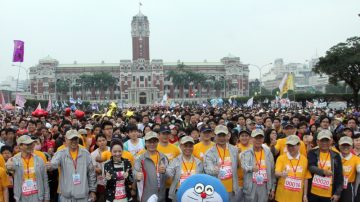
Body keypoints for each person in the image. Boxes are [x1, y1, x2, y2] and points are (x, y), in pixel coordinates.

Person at [46, 130, 97, 202]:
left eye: (75, 139)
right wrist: (50, 166)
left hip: (82, 197)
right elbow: (54, 164)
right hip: (66, 197)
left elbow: (91, 173)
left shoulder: (86, 153)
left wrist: (92, 191)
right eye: (71, 139)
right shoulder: (61, 153)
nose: (74, 141)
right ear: (66, 139)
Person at [6, 135, 50, 202]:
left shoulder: (39, 160)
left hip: (37, 196)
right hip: (21, 196)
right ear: (20, 146)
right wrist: (8, 166)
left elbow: (45, 179)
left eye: (31, 144)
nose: (30, 146)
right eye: (27, 144)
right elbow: (8, 168)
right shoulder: (14, 159)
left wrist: (47, 198)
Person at [204, 125, 239, 201]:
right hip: (217, 189)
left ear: (227, 136)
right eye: (219, 135)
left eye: (223, 135)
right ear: (215, 136)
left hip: (232, 189)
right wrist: (216, 169)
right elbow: (207, 170)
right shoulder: (209, 153)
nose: (222, 138)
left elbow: (237, 166)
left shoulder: (234, 150)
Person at [307, 130, 343, 202]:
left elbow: (339, 175)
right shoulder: (312, 152)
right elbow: (311, 167)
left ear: (331, 141)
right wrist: (323, 172)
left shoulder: (336, 155)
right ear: (317, 142)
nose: (324, 143)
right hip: (313, 192)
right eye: (322, 141)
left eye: (327, 140)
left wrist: (337, 193)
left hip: (328, 194)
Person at [240, 129, 275, 202]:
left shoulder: (268, 153)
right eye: (256, 138)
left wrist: (272, 188)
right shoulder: (245, 153)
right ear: (251, 139)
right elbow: (243, 167)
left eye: (260, 138)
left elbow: (272, 172)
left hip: (264, 187)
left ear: (263, 139)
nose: (258, 140)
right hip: (250, 188)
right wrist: (251, 168)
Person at [275, 135, 311, 202]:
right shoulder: (281, 158)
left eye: (293, 145)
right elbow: (276, 173)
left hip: (297, 197)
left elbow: (306, 178)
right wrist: (281, 174)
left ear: (299, 145)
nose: (290, 148)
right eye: (289, 145)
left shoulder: (304, 160)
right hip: (282, 197)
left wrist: (305, 195)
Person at [133, 131, 168, 202]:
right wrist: (136, 175)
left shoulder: (164, 157)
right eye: (149, 142)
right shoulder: (140, 158)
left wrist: (165, 171)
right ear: (145, 143)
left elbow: (169, 175)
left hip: (161, 196)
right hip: (146, 196)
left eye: (154, 141)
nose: (152, 144)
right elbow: (134, 172)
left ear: (157, 142)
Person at [166, 136, 203, 201]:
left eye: (190, 146)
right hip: (178, 193)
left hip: (195, 194)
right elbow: (169, 173)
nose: (188, 148)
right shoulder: (175, 161)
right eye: (185, 146)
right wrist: (165, 171)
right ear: (180, 146)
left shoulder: (198, 162)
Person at [338, 136, 360, 202]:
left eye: (348, 145)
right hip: (335, 185)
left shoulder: (356, 158)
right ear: (339, 146)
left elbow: (359, 168)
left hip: (348, 186)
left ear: (351, 146)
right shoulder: (335, 157)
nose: (345, 147)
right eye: (343, 145)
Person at [90, 133, 108, 201]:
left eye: (103, 140)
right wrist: (95, 169)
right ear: (97, 143)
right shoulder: (93, 154)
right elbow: (92, 168)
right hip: (100, 182)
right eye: (99, 141)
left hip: (112, 181)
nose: (102, 142)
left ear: (106, 141)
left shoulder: (111, 151)